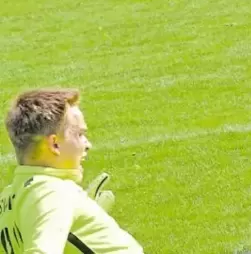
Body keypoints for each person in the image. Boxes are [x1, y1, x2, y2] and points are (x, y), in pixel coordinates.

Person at [0, 89, 143, 253]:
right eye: (80, 134)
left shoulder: (9, 199)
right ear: (54, 144)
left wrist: (82, 214)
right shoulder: (52, 193)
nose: (87, 144)